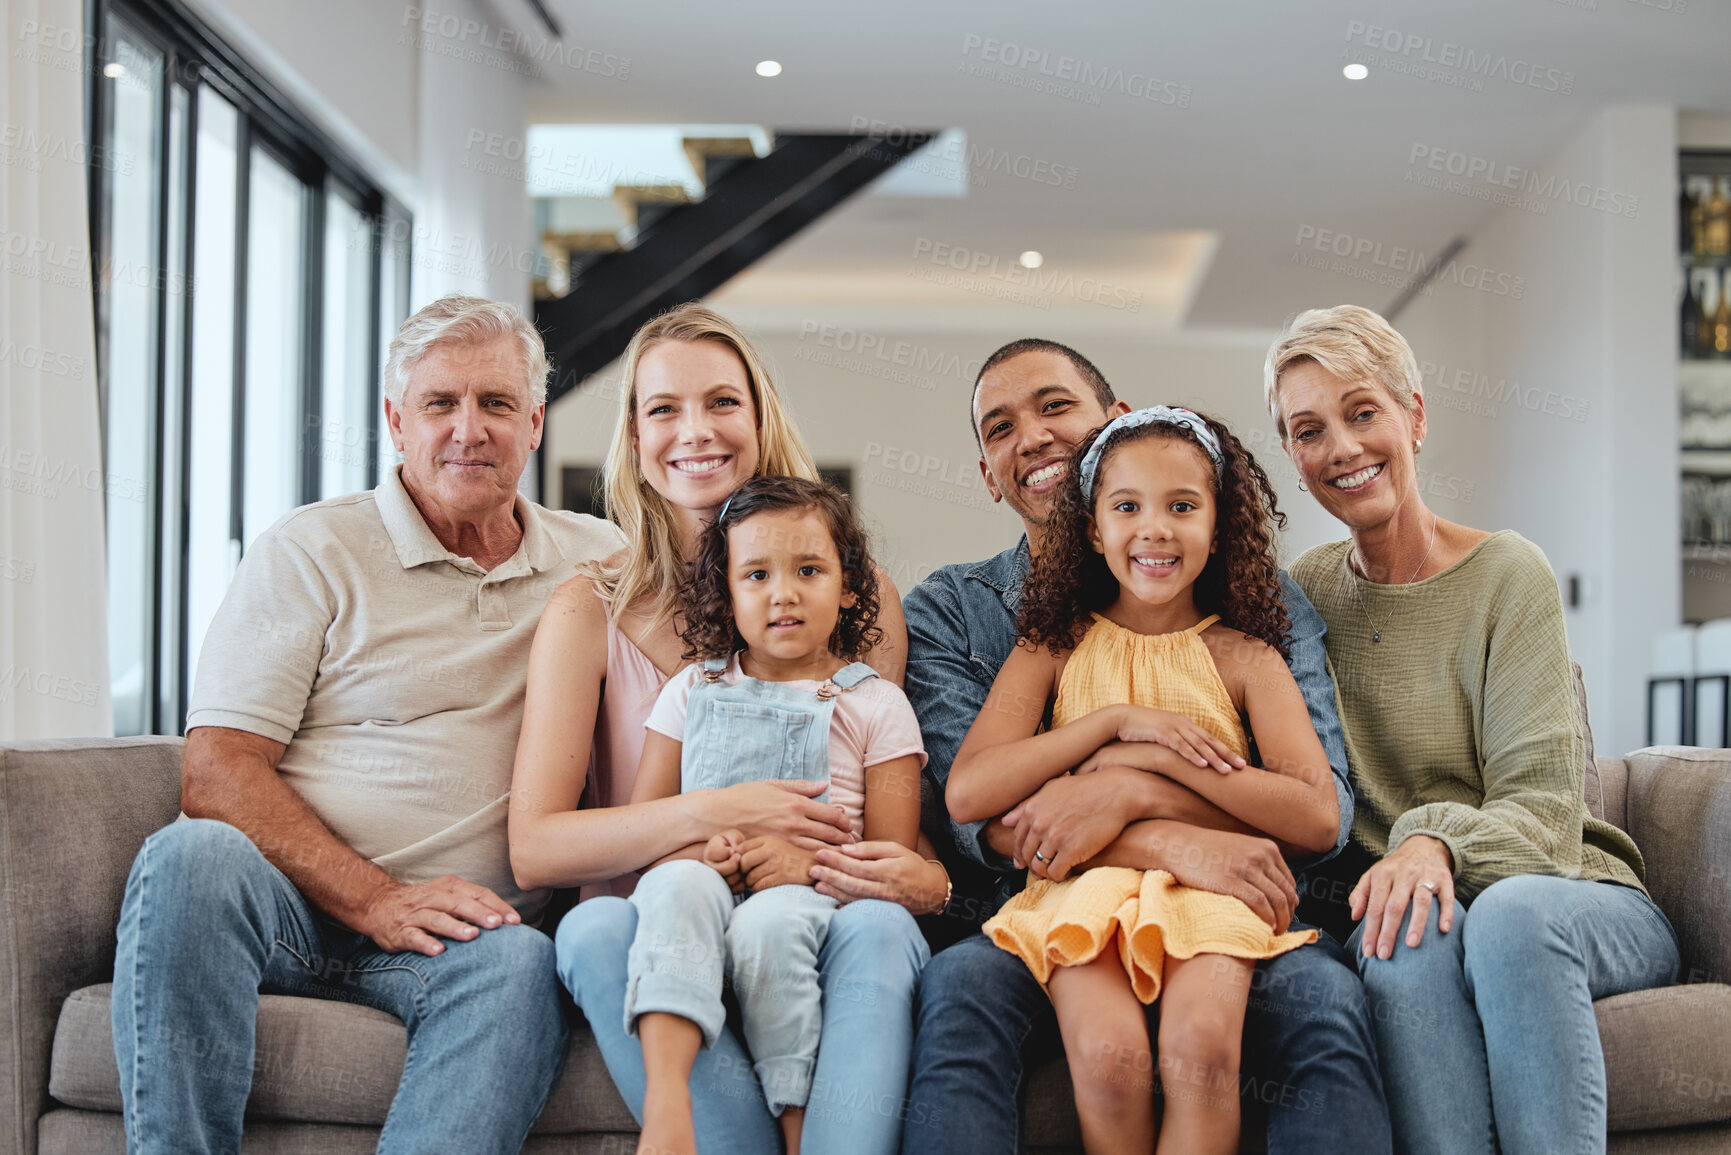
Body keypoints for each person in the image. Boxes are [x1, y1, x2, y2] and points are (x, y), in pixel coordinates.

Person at [110, 296, 623, 1153]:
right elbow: (218, 768)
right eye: (439, 404)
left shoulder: (601, 562)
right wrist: (376, 897)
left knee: (518, 964)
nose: (470, 429)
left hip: (464, 936)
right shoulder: (311, 551)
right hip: (289, 907)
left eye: (496, 404)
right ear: (394, 420)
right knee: (188, 853)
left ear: (535, 422)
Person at [898, 339, 1393, 1155]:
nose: (1030, 437)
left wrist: (1139, 778)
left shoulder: (1253, 635)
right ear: (1092, 523)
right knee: (1053, 1032)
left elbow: (1319, 814)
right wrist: (1111, 736)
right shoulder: (1003, 625)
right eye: (999, 427)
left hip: (1225, 905)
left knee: (1283, 1021)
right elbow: (974, 806)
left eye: (1054, 406)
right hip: (1070, 897)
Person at [508, 304, 944, 1155]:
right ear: (633, 439)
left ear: (758, 417)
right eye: (662, 408)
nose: (694, 431)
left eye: (721, 402)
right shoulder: (586, 608)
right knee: (591, 927)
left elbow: (873, 799)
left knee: (880, 923)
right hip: (667, 910)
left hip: (814, 911)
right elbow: (537, 848)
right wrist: (720, 815)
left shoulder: (865, 596)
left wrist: (828, 863)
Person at [1267, 304, 1680, 1155]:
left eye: (1361, 412)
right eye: (1308, 430)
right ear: (1291, 457)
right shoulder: (1302, 594)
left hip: (1567, 890)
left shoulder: (1507, 573)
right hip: (1415, 905)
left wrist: (1429, 843)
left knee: (1506, 919)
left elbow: (1543, 809)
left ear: (1413, 417)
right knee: (1399, 946)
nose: (1340, 447)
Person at [623, 475, 925, 1155]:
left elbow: (892, 866)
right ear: (726, 594)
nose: (782, 592)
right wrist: (705, 854)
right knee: (670, 887)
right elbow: (644, 834)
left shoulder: (876, 706)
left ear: (848, 585)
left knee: (769, 920)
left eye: (808, 570)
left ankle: (793, 1128)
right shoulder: (688, 690)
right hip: (702, 880)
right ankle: (667, 1103)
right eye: (755, 573)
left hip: (811, 901)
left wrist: (808, 866)